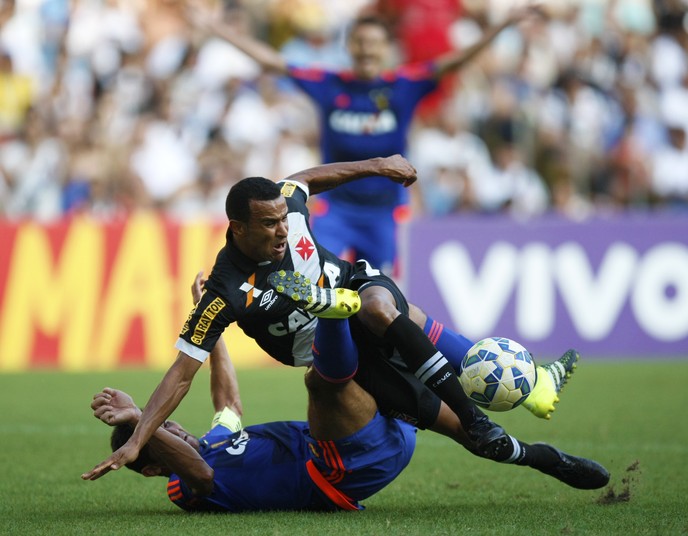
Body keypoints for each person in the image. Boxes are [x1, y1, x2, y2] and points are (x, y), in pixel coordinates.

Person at [81, 155, 576, 482]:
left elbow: (306, 179)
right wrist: (139, 439)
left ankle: (489, 407)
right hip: (341, 356)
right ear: (238, 228)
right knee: (452, 427)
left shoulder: (288, 209)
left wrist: (380, 165)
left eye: (283, 218)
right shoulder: (224, 291)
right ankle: (541, 457)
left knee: (381, 309)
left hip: (356, 286)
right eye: (269, 223)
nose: (282, 229)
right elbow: (181, 374)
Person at [85, 273, 609, 512]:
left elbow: (228, 403)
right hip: (338, 469)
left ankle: (538, 456)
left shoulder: (217, 438)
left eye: (166, 423)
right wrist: (136, 422)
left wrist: (211, 325)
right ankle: (330, 311)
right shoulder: (186, 485)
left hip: (375, 432)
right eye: (160, 438)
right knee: (321, 378)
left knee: (395, 355)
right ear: (154, 466)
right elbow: (195, 472)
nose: (170, 427)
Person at [190, 3, 539, 275]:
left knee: (381, 297)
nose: (366, 50)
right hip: (333, 210)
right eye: (359, 42)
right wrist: (216, 28)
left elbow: (455, 61)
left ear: (386, 49)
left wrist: (502, 26)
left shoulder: (403, 85)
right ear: (349, 46)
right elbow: (274, 61)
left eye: (374, 43)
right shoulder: (329, 83)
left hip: (383, 214)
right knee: (316, 279)